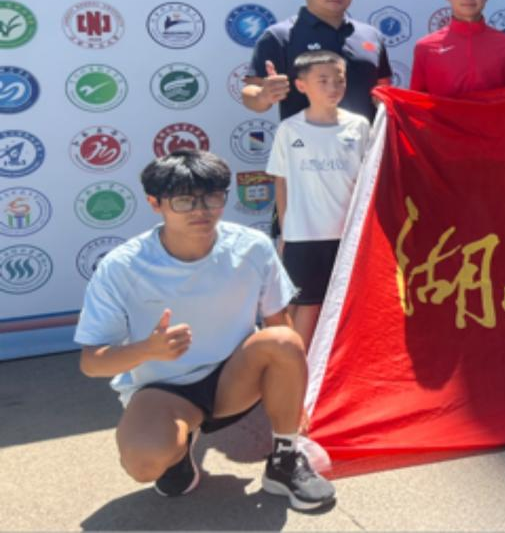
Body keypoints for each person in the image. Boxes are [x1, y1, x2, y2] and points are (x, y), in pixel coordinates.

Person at [74, 151, 335, 509]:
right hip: (165, 390)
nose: (201, 210)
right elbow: (91, 363)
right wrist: (148, 350)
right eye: (183, 200)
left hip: (236, 378)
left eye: (212, 197)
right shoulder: (122, 266)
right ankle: (179, 450)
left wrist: (294, 398)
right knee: (144, 463)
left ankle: (285, 462)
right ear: (155, 203)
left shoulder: (252, 246)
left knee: (284, 340)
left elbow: (279, 324)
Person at [266, 51, 371, 349]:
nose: (333, 87)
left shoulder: (360, 125)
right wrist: (286, 231)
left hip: (349, 235)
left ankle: (333, 373)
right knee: (306, 308)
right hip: (304, 235)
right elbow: (281, 181)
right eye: (322, 81)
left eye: (339, 80)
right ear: (302, 86)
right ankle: (297, 372)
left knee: (348, 306)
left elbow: (369, 179)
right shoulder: (290, 129)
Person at [244, 0, 391, 122]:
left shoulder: (371, 35)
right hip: (306, 137)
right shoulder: (279, 36)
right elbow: (251, 93)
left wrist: (385, 98)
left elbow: (383, 87)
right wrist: (263, 95)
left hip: (365, 136)